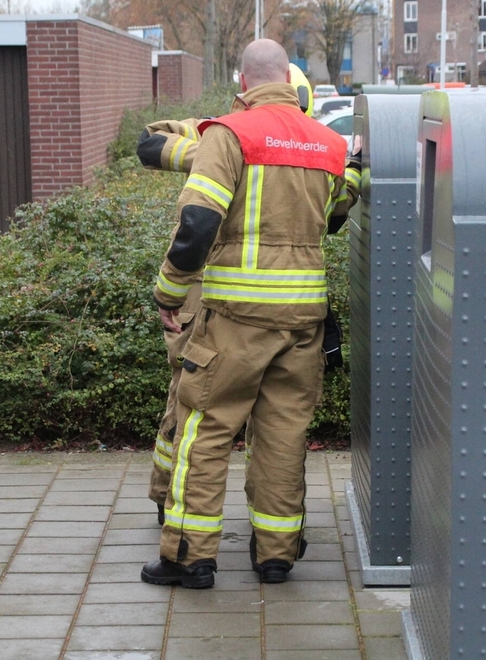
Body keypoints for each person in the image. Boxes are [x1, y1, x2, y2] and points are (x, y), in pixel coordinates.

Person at [140, 39, 360, 589]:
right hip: (303, 321)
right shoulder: (329, 144)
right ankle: (276, 555)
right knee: (285, 436)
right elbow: (335, 214)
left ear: (243, 82)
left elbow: (196, 224)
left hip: (236, 319)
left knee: (207, 429)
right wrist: (355, 172)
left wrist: (169, 295)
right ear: (290, 79)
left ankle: (189, 558)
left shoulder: (230, 135)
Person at [137, 65, 318, 525]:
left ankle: (186, 535)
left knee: (199, 413)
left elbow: (197, 220)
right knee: (275, 430)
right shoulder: (233, 135)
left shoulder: (254, 138)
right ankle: (272, 542)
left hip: (224, 303)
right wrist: (213, 149)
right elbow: (148, 142)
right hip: (279, 309)